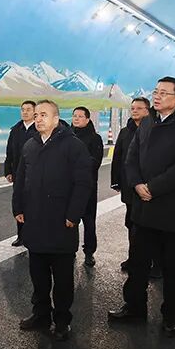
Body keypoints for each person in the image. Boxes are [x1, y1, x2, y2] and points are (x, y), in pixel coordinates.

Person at [108, 76, 175, 337]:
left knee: (172, 266)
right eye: (155, 91)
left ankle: (170, 314)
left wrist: (153, 187)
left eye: (164, 93)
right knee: (138, 262)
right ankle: (134, 308)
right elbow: (131, 157)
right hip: (144, 208)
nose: (157, 96)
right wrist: (136, 183)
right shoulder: (148, 121)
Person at [13, 100, 93, 341]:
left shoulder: (73, 146)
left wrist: (73, 215)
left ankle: (62, 321)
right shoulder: (30, 145)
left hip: (61, 222)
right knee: (38, 275)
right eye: (36, 115)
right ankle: (41, 315)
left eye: (44, 115)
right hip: (35, 221)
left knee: (63, 279)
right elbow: (21, 179)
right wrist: (18, 207)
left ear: (56, 119)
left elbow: (83, 183)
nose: (38, 119)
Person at [111, 97, 160, 278]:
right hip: (129, 186)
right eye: (132, 108)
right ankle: (134, 259)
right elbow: (118, 157)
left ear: (148, 111)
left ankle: (157, 263)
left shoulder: (155, 130)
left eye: (139, 108)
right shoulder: (126, 132)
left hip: (148, 188)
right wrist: (115, 181)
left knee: (151, 227)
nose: (135, 111)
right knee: (131, 224)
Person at [70, 106, 104, 267]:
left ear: (88, 119)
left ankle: (89, 252)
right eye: (74, 116)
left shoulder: (95, 138)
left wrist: (73, 163)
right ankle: (70, 249)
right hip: (69, 187)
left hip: (87, 186)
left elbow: (94, 163)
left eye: (80, 116)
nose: (76, 119)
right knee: (70, 220)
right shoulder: (66, 136)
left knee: (89, 221)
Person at [4, 100, 38, 246]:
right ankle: (21, 236)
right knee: (19, 203)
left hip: (35, 175)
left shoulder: (39, 129)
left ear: (35, 112)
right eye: (23, 109)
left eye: (28, 109)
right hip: (18, 174)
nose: (25, 112)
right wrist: (8, 170)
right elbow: (9, 152)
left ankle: (34, 235)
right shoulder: (16, 130)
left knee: (34, 204)